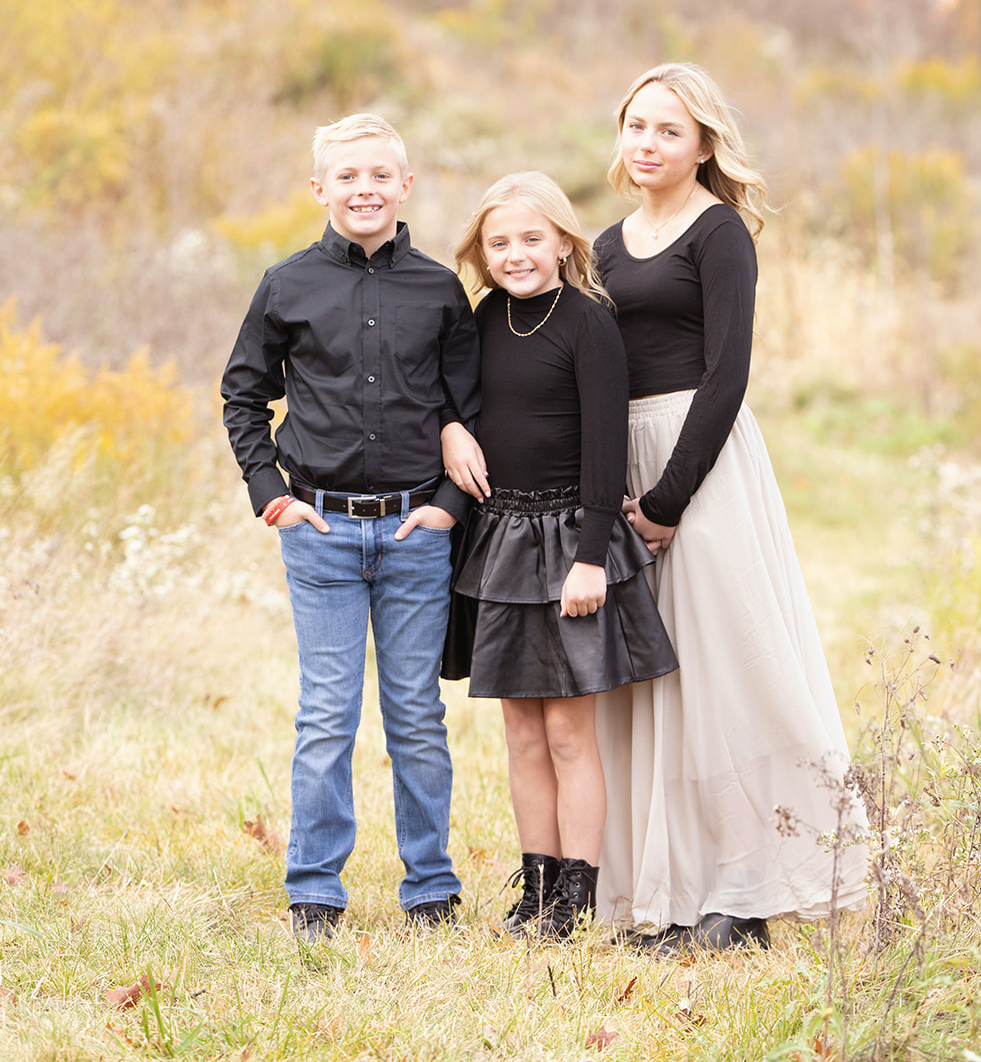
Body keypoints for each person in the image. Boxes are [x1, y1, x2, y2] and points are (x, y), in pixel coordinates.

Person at [593, 63, 869, 954]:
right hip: (619, 461)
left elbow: (727, 373)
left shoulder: (718, 235)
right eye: (637, 126)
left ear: (704, 144)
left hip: (697, 459)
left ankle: (745, 893)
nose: (647, 144)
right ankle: (665, 890)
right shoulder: (602, 243)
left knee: (727, 670)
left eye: (668, 131)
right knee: (649, 684)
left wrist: (670, 499)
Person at [221, 112, 483, 943]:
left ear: (404, 186)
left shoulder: (440, 288)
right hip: (322, 533)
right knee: (327, 714)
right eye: (347, 177)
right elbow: (241, 396)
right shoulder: (286, 284)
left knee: (414, 715)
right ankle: (314, 892)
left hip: (415, 531)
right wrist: (274, 495)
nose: (363, 189)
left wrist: (448, 503)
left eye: (379, 176)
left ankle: (431, 888)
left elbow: (466, 409)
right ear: (319, 189)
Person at [439, 172, 677, 938]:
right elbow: (455, 400)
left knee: (571, 732)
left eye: (530, 239)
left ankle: (576, 898)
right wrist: (449, 428)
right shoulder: (481, 320)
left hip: (572, 540)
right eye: (498, 243)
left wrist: (588, 558)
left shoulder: (587, 323)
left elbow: (606, 450)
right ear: (481, 253)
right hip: (502, 540)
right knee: (519, 730)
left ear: (565, 243)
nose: (515, 255)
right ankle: (535, 887)